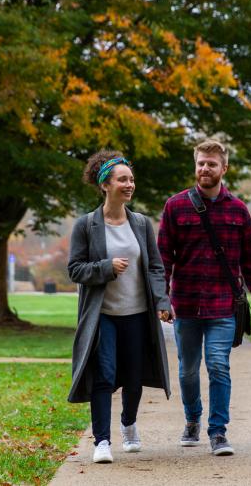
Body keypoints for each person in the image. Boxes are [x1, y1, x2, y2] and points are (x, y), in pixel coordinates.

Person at [158, 139, 251, 456]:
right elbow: (163, 258)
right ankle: (192, 420)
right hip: (186, 305)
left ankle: (218, 431)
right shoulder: (175, 206)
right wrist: (161, 299)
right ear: (196, 165)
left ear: (224, 168)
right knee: (188, 371)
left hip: (223, 305)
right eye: (201, 163)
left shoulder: (238, 210)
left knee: (218, 365)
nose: (205, 169)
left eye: (211, 164)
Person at [67, 150, 171, 464]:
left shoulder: (140, 223)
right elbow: (75, 269)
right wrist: (106, 267)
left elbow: (155, 266)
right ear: (105, 185)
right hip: (103, 316)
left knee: (134, 375)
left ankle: (128, 423)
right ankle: (102, 441)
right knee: (104, 375)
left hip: (137, 314)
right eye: (122, 179)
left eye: (131, 179)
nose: (130, 184)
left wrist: (161, 300)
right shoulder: (86, 225)